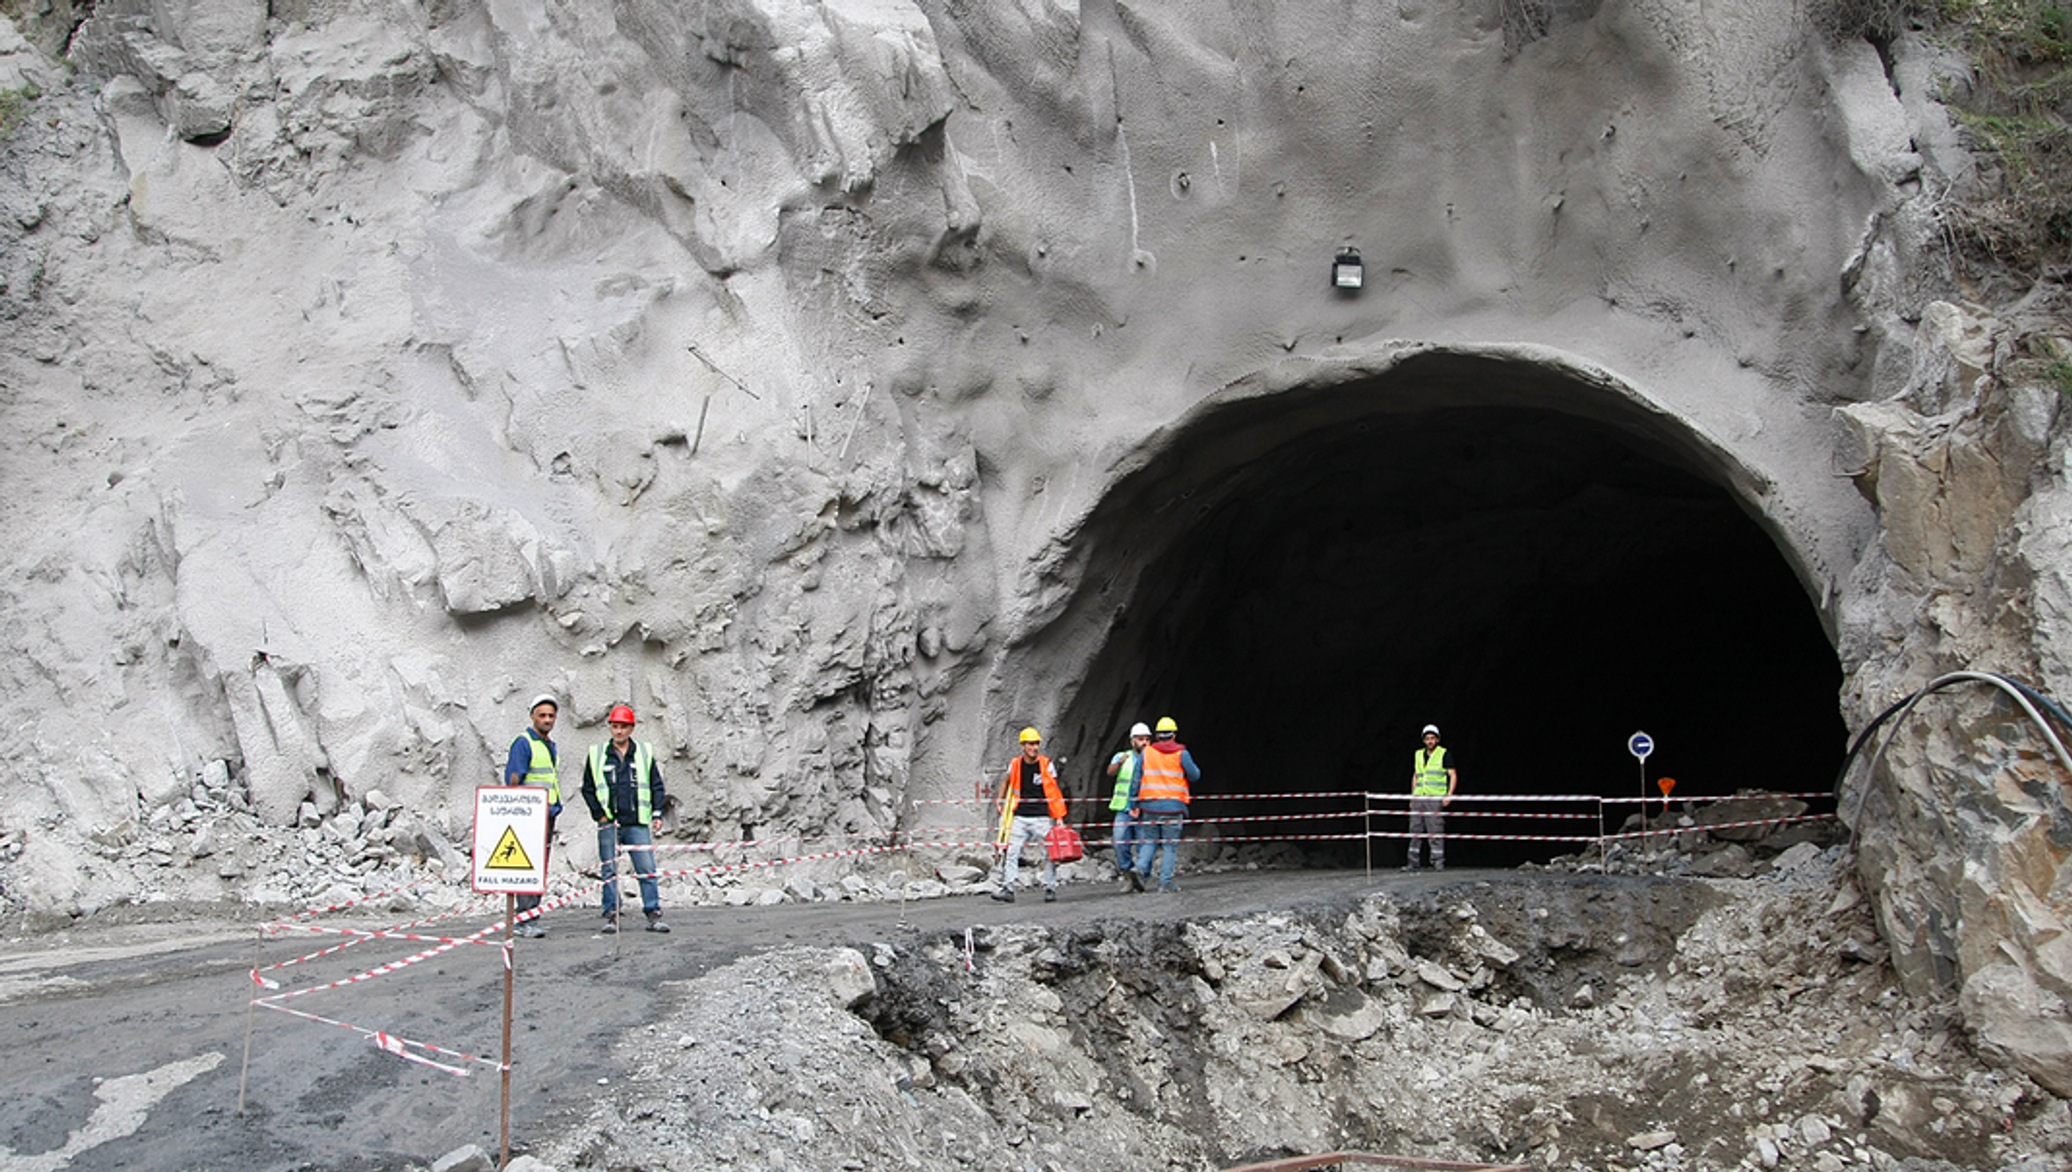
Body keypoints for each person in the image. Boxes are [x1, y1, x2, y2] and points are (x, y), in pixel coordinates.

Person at [580, 704, 670, 934]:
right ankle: (612, 915)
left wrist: (657, 813)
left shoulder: (643, 753)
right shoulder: (597, 754)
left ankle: (653, 913)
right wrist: (599, 815)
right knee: (609, 870)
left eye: (623, 727)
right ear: (610, 727)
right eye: (615, 726)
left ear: (632, 728)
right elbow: (588, 788)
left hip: (637, 822)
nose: (618, 731)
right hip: (609, 822)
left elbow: (656, 785)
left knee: (646, 868)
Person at [503, 693, 564, 938]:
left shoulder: (548, 744)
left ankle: (531, 916)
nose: (547, 719)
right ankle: (523, 919)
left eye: (551, 715)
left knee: (538, 867)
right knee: (529, 867)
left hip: (547, 813)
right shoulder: (524, 743)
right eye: (542, 715)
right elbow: (514, 779)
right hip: (529, 815)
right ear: (532, 717)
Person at [991, 727, 1067, 903]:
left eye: (1037, 744)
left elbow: (1054, 793)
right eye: (1031, 744)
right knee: (1012, 852)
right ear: (1023, 746)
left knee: (1048, 853)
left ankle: (1050, 888)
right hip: (1020, 815)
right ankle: (1008, 888)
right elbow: (1006, 782)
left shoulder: (1046, 765)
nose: (1035, 747)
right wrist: (1000, 800)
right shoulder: (1016, 764)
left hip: (1041, 816)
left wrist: (1059, 817)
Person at [1129, 717, 1199, 893]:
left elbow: (1136, 779)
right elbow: (1195, 775)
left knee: (1150, 841)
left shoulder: (1147, 752)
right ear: (1174, 735)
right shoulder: (1182, 753)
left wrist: (1133, 802)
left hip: (1150, 805)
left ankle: (1139, 868)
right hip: (1173, 807)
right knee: (1169, 845)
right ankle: (1165, 883)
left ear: (1158, 736)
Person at [1405, 723, 1457, 871]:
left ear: (1438, 739)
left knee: (1435, 829)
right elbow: (1416, 776)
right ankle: (1413, 863)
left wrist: (1449, 795)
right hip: (1419, 797)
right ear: (1424, 740)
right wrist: (1412, 796)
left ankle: (1438, 862)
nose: (1430, 741)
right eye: (1427, 738)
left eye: (1433, 738)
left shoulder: (1444, 754)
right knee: (1415, 829)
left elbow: (1452, 775)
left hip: (1435, 797)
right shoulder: (1418, 755)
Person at [1107, 722, 1152, 891]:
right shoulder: (1122, 756)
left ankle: (1142, 877)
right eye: (1141, 739)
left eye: (1147, 739)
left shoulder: (1152, 758)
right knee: (1119, 842)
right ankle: (1128, 874)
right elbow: (1110, 772)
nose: (1144, 743)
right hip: (1124, 808)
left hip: (1145, 809)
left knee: (1144, 845)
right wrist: (1118, 764)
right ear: (1133, 741)